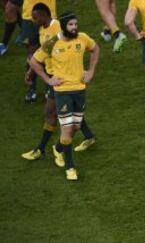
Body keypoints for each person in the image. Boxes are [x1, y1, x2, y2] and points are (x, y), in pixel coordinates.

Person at [30, 11, 100, 180]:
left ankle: (58, 148)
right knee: (67, 130)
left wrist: (90, 72)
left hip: (80, 90)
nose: (74, 28)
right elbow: (34, 61)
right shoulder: (52, 42)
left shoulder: (82, 38)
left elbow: (96, 49)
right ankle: (70, 168)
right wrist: (48, 79)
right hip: (62, 93)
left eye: (75, 24)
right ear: (63, 26)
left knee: (75, 127)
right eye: (71, 25)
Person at [20, 0, 57, 103]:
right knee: (32, 53)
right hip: (29, 14)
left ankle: (49, 88)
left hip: (48, 13)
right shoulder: (36, 23)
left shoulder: (55, 25)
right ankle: (33, 88)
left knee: (48, 53)